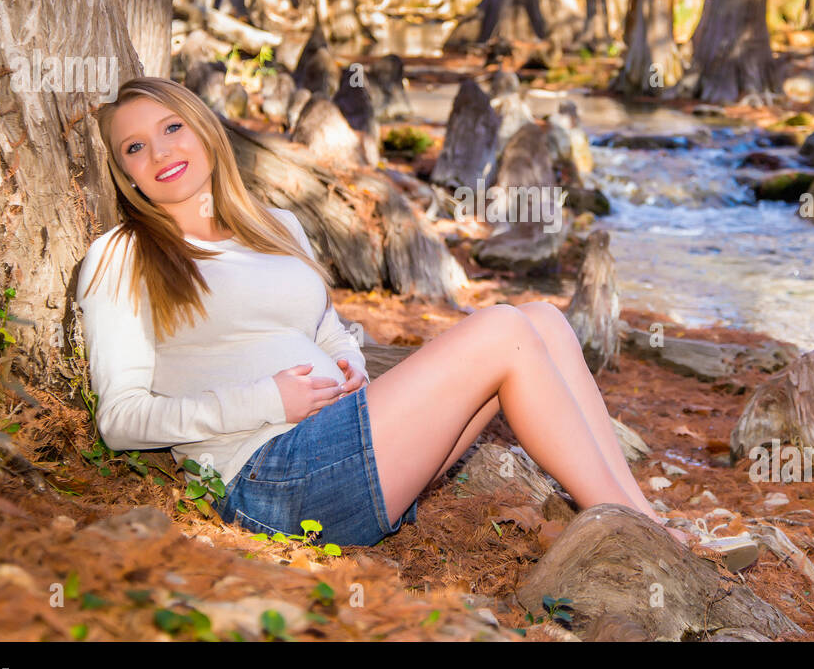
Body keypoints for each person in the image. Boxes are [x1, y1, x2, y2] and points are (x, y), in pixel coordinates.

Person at [76, 76, 695, 550]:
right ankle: (636, 535)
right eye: (135, 146)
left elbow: (325, 327)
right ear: (126, 174)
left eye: (172, 128)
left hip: (343, 436)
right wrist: (267, 401)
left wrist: (346, 360)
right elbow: (122, 420)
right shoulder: (121, 256)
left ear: (205, 131)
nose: (160, 152)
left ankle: (636, 515)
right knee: (503, 330)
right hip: (271, 479)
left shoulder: (276, 226)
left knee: (544, 320)